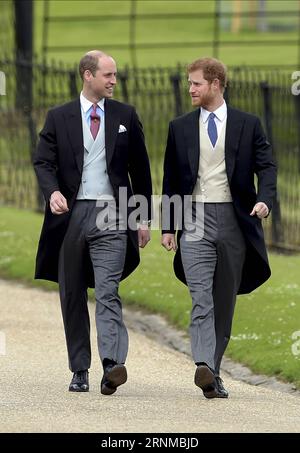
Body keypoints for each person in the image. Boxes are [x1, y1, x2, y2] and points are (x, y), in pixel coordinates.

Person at [34, 50, 152, 395]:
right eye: (108, 75)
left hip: (113, 214)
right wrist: (52, 192)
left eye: (115, 75)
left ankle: (112, 364)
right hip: (70, 216)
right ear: (88, 75)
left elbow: (140, 171)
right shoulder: (59, 117)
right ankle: (79, 369)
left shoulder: (125, 115)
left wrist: (142, 218)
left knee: (108, 290)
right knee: (71, 292)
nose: (114, 81)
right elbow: (43, 162)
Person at [161, 57, 276, 399]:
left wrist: (264, 199)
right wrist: (168, 226)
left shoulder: (248, 124)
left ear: (215, 84)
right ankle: (203, 364)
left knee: (223, 300)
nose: (190, 88)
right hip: (194, 218)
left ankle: (213, 370)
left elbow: (267, 167)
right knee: (201, 297)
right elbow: (169, 180)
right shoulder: (179, 127)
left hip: (234, 221)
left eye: (195, 83)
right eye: (189, 82)